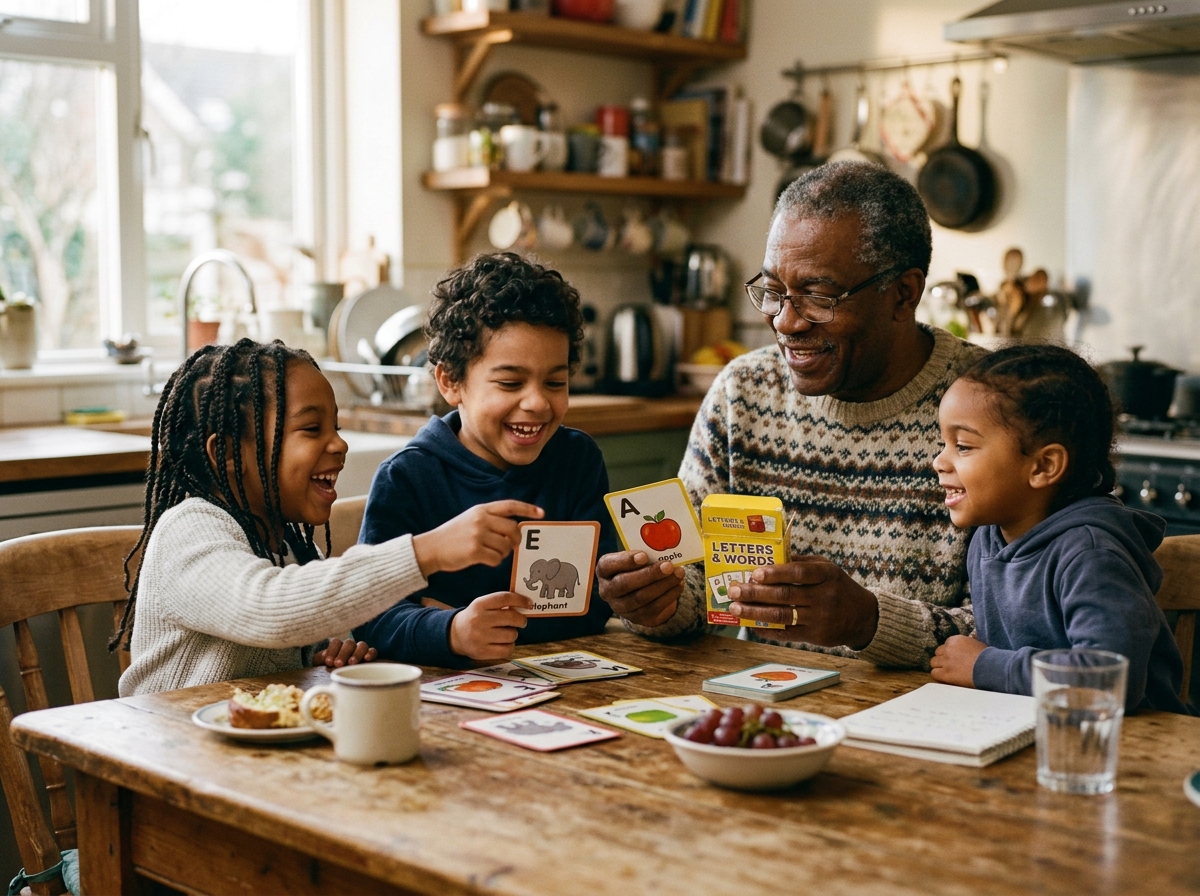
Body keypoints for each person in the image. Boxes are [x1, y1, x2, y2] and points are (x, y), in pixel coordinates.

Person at [597, 160, 988, 668]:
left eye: (819, 296)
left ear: (903, 293)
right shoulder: (743, 392)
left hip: (930, 724)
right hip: (765, 710)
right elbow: (695, 585)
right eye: (773, 290)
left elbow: (1020, 627)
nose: (784, 321)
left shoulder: (995, 405)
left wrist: (869, 622)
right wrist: (655, 600)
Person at [116, 339, 509, 697]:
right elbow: (268, 608)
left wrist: (332, 653)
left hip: (249, 759)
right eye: (311, 428)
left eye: (335, 427)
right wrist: (427, 551)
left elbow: (307, 623)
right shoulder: (189, 528)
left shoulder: (291, 546)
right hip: (166, 754)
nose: (339, 443)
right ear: (229, 454)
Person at [356, 253, 618, 667]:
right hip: (445, 699)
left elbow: (595, 602)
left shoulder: (577, 459)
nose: (536, 402)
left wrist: (455, 614)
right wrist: (453, 631)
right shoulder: (407, 477)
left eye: (556, 382)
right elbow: (370, 617)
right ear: (450, 382)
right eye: (510, 383)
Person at [928, 345, 1189, 713]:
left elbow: (1110, 678)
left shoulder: (1090, 554)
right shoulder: (987, 539)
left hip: (1130, 745)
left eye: (964, 446)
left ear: (1043, 466)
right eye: (945, 443)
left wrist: (985, 665)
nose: (939, 460)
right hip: (1038, 727)